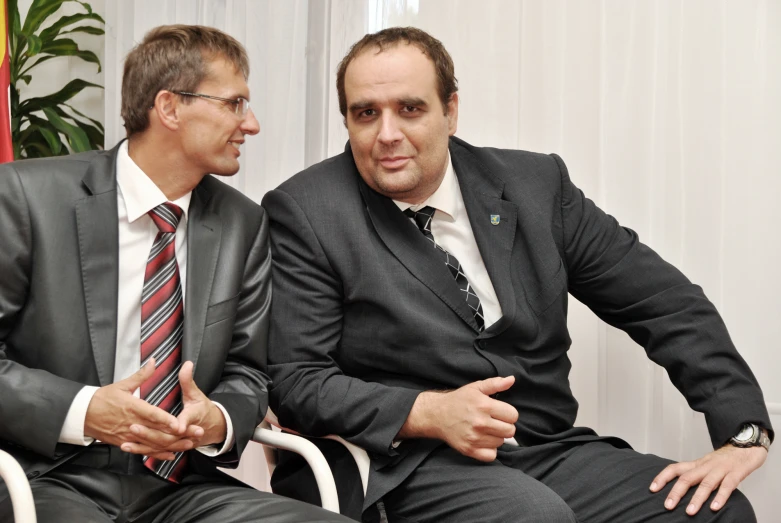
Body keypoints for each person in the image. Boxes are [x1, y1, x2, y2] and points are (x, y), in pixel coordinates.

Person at [262, 26, 773, 523]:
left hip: (541, 449)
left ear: (451, 110)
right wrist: (425, 412)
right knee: (532, 515)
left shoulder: (535, 185)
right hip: (398, 463)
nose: (387, 134)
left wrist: (742, 428)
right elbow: (298, 379)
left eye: (410, 109)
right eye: (366, 114)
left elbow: (661, 300)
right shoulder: (307, 211)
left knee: (716, 510)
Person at [0, 24, 349, 523]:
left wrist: (216, 420)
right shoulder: (25, 198)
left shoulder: (242, 224)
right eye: (234, 104)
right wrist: (85, 410)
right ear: (169, 108)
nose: (250, 124)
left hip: (179, 488)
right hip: (42, 475)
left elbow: (249, 371)